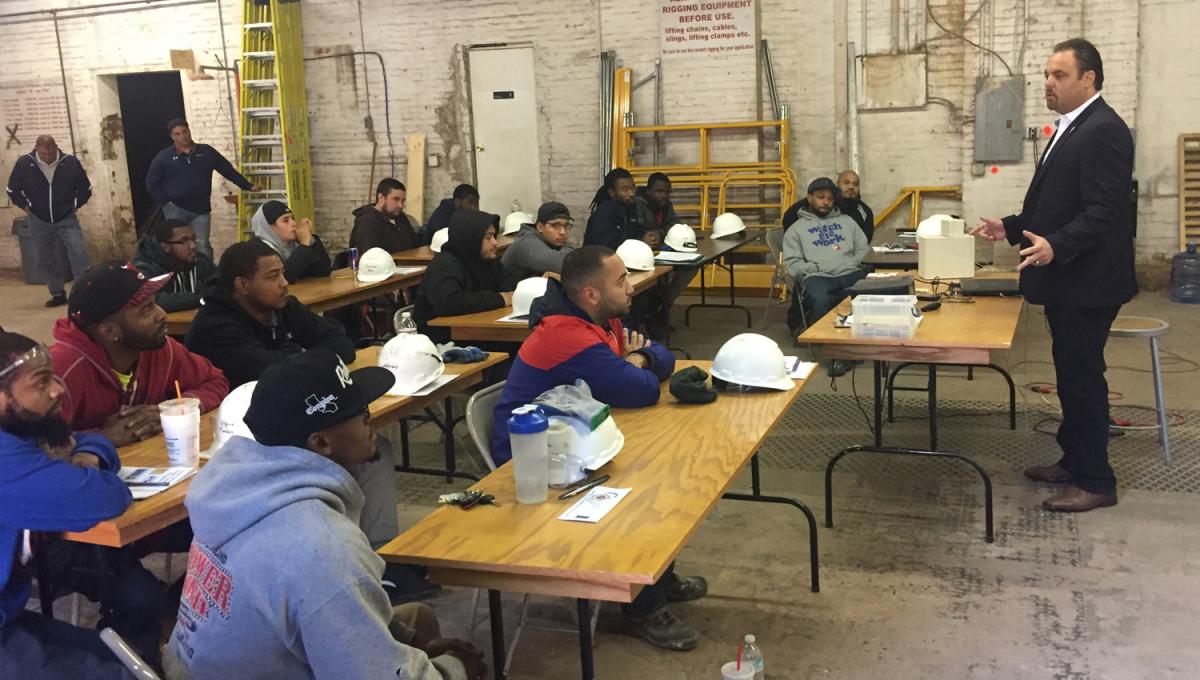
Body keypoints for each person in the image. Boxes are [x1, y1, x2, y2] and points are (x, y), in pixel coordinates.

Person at [163, 349, 486, 680]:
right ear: (320, 443)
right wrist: (456, 669)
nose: (370, 418)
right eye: (360, 413)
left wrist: (410, 643)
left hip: (191, 666)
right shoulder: (322, 544)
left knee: (419, 620)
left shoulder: (235, 492)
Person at [184, 240, 429, 601]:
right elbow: (275, 373)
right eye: (273, 276)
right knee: (355, 451)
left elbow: (338, 345)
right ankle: (342, 563)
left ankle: (382, 555)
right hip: (245, 438)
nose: (285, 283)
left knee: (375, 448)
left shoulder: (281, 308)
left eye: (283, 273)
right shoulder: (214, 326)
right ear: (242, 284)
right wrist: (298, 356)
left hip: (299, 419)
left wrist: (298, 356)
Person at [490, 246, 705, 651]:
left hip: (572, 434)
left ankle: (658, 575)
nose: (631, 287)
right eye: (621, 280)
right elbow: (641, 389)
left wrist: (635, 357)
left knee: (662, 462)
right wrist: (637, 362)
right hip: (530, 455)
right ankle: (643, 605)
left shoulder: (600, 320)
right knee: (640, 485)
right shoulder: (566, 334)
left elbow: (664, 355)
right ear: (591, 294)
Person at [971, 38, 1135, 513]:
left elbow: (1105, 210)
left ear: (1089, 79)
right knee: (1070, 374)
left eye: (1059, 75)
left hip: (1088, 282)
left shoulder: (1103, 129)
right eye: (1046, 74)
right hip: (1070, 280)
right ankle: (1074, 459)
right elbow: (1054, 204)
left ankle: (1096, 480)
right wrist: (1012, 226)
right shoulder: (1070, 127)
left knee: (1083, 378)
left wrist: (1057, 245)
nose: (1048, 82)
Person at [0, 328, 142, 679]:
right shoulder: (6, 459)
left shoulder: (20, 430)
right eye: (41, 382)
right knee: (120, 673)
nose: (57, 390)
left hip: (10, 616)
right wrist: (86, 461)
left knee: (125, 656)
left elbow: (86, 440)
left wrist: (89, 455)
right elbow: (107, 496)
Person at [50, 261, 229, 445]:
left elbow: (215, 381)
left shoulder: (158, 348)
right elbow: (32, 451)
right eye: (146, 310)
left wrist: (175, 410)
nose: (161, 314)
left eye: (154, 303)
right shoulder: (60, 372)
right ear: (109, 332)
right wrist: (102, 438)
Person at [783, 177, 869, 376]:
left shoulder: (848, 222)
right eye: (820, 197)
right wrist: (814, 268)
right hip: (818, 276)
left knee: (868, 294)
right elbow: (793, 264)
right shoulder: (796, 229)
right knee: (819, 298)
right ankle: (837, 354)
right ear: (809, 198)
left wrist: (852, 263)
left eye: (830, 199)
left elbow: (863, 249)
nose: (825, 202)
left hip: (850, 272)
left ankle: (857, 345)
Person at [145, 119, 262, 259]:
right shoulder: (164, 157)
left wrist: (248, 186)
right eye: (178, 134)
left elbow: (227, 171)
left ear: (189, 131)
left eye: (185, 132)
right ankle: (182, 275)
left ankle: (205, 276)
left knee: (202, 245)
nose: (183, 136)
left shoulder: (206, 152)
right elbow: (151, 182)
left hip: (201, 209)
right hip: (175, 208)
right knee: (177, 246)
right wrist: (165, 202)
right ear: (172, 137)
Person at [5, 135, 93, 307]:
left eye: (50, 154)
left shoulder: (70, 163)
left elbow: (85, 189)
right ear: (36, 148)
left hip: (67, 219)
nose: (47, 158)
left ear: (56, 148)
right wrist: (26, 207)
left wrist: (73, 207)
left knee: (79, 256)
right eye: (44, 154)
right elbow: (12, 189)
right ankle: (58, 293)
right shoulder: (25, 164)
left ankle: (83, 295)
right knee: (45, 258)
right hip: (38, 220)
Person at [413, 209, 512, 344]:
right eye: (488, 237)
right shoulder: (443, 265)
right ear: (471, 238)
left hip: (479, 331)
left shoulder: (487, 260)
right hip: (443, 341)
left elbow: (509, 288)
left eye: (494, 236)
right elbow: (450, 303)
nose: (495, 243)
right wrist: (500, 299)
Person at [130, 218, 216, 312]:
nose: (193, 245)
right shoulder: (146, 268)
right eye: (184, 241)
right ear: (166, 246)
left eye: (193, 239)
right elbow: (154, 300)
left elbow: (220, 284)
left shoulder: (200, 261)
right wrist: (200, 298)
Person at [251, 199, 332, 283]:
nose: (294, 223)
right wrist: (304, 245)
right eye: (286, 220)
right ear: (270, 227)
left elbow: (323, 270)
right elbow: (283, 279)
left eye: (293, 218)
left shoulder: (293, 245)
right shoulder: (258, 250)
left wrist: (310, 239)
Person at [500, 201, 577, 287]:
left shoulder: (550, 240)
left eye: (566, 225)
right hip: (509, 297)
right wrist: (569, 244)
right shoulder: (527, 243)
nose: (563, 232)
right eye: (555, 225)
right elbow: (563, 265)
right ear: (540, 227)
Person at [350, 178, 421, 254]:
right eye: (396, 199)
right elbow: (369, 258)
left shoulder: (400, 217)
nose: (401, 205)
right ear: (381, 198)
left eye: (403, 201)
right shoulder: (368, 221)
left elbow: (415, 246)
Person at [583, 168, 647, 250]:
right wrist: (640, 241)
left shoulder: (632, 208)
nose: (631, 193)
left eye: (633, 187)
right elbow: (606, 247)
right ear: (612, 192)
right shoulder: (603, 214)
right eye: (625, 189)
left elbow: (637, 232)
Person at [634, 172, 676, 248]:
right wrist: (644, 237)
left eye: (668, 192)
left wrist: (658, 233)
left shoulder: (667, 204)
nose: (664, 196)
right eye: (659, 191)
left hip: (658, 246)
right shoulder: (637, 204)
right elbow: (635, 231)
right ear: (648, 191)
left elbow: (674, 226)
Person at [836, 170, 875, 242]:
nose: (851, 187)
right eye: (846, 183)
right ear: (837, 184)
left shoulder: (866, 211)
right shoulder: (827, 208)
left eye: (855, 184)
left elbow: (866, 240)